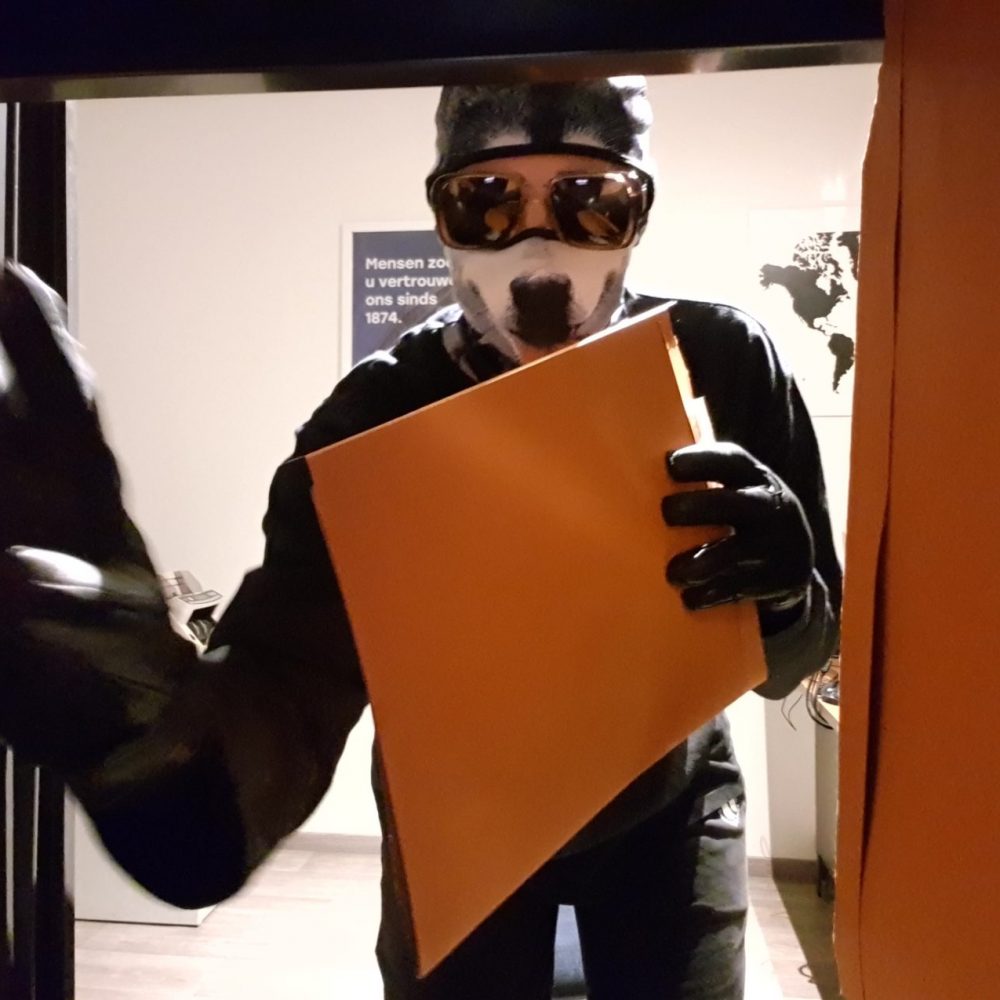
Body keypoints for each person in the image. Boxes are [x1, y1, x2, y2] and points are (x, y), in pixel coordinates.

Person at [0, 77, 840, 999]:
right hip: (462, 823)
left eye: (591, 200)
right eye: (487, 201)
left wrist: (787, 596)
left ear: (641, 208)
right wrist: (155, 756)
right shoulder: (372, 420)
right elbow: (283, 696)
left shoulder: (721, 359)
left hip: (669, 805)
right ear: (441, 215)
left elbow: (797, 661)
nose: (539, 254)